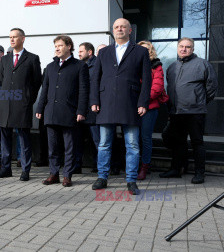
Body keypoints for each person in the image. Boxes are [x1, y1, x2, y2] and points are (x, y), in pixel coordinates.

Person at [90, 18, 151, 195]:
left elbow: (146, 79)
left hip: (130, 103)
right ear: (112, 31)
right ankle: (102, 177)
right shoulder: (104, 52)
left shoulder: (140, 51)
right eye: (116, 27)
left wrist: (143, 102)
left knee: (132, 145)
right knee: (103, 144)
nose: (119, 29)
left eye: (123, 27)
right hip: (106, 102)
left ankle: (131, 180)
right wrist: (94, 100)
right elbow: (96, 78)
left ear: (129, 30)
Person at [160, 37, 218, 184]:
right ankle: (176, 169)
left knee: (197, 142)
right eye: (181, 46)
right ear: (178, 48)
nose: (184, 49)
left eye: (187, 47)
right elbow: (169, 88)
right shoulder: (172, 66)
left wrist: (199, 102)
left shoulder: (202, 64)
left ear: (192, 49)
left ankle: (200, 173)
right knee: (178, 142)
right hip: (176, 112)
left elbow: (212, 87)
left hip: (195, 112)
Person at [36, 36, 89, 187]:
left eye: (60, 45)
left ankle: (67, 175)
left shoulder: (79, 66)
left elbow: (84, 91)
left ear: (69, 46)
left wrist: (81, 110)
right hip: (51, 112)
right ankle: (54, 174)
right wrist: (40, 108)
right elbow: (44, 90)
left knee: (69, 147)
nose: (57, 48)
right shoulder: (50, 67)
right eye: (55, 46)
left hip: (70, 112)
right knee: (52, 146)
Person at [0, 28, 42, 181]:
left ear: (23, 38)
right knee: (5, 138)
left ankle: (25, 170)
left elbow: (36, 82)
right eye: (10, 37)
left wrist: (29, 99)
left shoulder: (32, 58)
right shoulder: (6, 59)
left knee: (24, 138)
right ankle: (5, 168)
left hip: (22, 104)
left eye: (15, 37)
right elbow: (2, 80)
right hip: (5, 104)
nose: (12, 40)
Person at [137, 41, 167, 180]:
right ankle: (134, 166)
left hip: (150, 108)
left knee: (145, 138)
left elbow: (157, 89)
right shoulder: (133, 66)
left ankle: (145, 167)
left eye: (146, 50)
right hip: (132, 109)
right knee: (133, 139)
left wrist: (141, 101)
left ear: (150, 51)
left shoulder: (156, 66)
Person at [77, 42, 100, 172]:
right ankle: (77, 166)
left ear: (89, 52)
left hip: (93, 111)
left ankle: (101, 166)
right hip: (81, 110)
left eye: (81, 51)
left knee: (97, 141)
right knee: (78, 141)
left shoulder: (97, 66)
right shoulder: (80, 66)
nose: (78, 54)